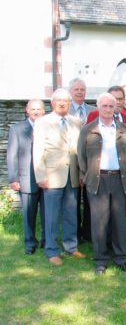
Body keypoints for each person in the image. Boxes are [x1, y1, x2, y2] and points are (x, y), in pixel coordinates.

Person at [77, 92, 126, 275]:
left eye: (111, 106)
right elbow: (81, 156)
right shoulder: (89, 129)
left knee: (119, 221)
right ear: (98, 107)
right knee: (99, 221)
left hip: (119, 179)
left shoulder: (123, 129)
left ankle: (120, 258)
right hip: (98, 180)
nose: (108, 109)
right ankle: (101, 260)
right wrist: (88, 175)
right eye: (105, 106)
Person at [33, 89, 85, 266]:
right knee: (52, 215)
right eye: (59, 100)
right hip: (52, 176)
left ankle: (71, 247)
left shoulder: (76, 122)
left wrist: (81, 173)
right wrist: (40, 175)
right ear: (52, 102)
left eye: (66, 101)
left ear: (70, 103)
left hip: (72, 175)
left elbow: (79, 151)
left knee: (71, 213)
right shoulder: (43, 122)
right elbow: (38, 150)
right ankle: (52, 250)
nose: (63, 103)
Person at [7, 99, 46, 255]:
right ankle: (30, 242)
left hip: (47, 178)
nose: (36, 112)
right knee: (29, 213)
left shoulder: (49, 127)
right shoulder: (17, 129)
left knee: (47, 213)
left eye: (39, 109)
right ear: (27, 110)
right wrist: (13, 178)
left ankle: (46, 240)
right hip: (26, 178)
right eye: (33, 109)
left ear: (44, 111)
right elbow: (11, 156)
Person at [68, 78, 96, 243]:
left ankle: (88, 233)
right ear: (71, 91)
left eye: (82, 89)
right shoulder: (65, 109)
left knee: (90, 199)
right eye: (76, 89)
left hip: (90, 160)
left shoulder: (93, 110)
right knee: (73, 200)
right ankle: (75, 233)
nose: (79, 92)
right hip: (72, 160)